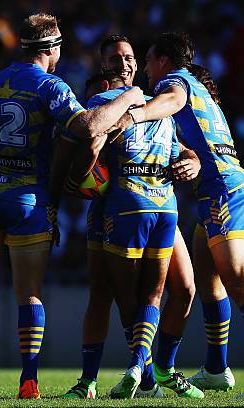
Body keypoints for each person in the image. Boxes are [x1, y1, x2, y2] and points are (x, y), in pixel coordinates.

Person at [0, 13, 144, 399]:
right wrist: (130, 96)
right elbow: (89, 126)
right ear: (51, 49)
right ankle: (29, 380)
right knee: (30, 294)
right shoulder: (50, 86)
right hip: (29, 201)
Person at [114, 32, 244, 399]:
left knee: (240, 281)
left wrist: (137, 115)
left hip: (226, 191)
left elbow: (171, 100)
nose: (145, 68)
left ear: (163, 60)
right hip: (214, 192)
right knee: (209, 282)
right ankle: (215, 367)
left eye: (148, 59)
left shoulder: (176, 83)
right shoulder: (200, 89)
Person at [55, 35, 201, 399]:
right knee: (120, 295)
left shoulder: (147, 104)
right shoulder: (132, 102)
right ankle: (142, 374)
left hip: (126, 204)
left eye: (130, 56)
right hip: (151, 205)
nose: (124, 62)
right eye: (116, 57)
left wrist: (72, 183)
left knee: (132, 297)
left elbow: (92, 142)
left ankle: (144, 372)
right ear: (104, 66)